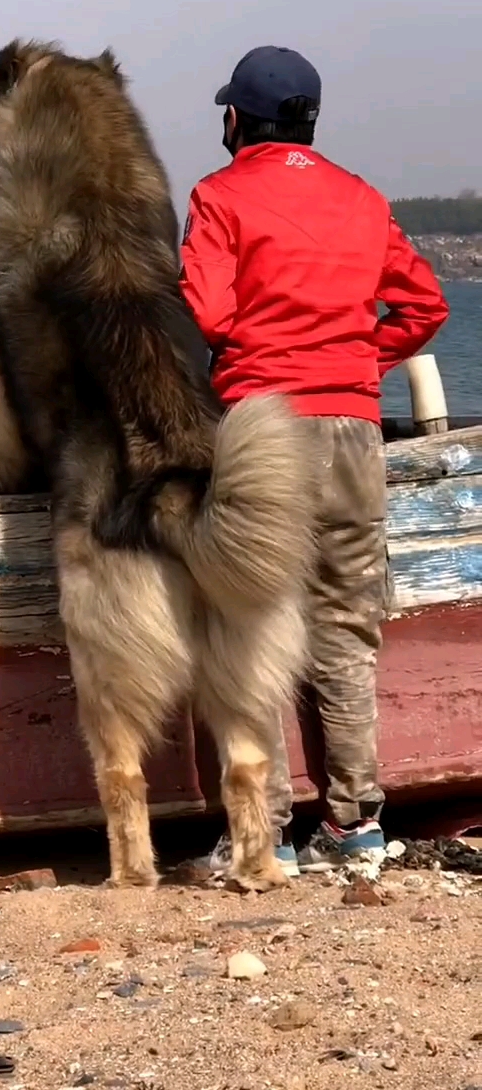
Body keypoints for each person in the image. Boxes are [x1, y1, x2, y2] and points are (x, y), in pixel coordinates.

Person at [179, 46, 450, 875]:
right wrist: (359, 361)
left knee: (249, 623)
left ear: (237, 119)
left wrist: (264, 359)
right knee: (347, 624)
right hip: (353, 431)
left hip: (263, 427)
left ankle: (262, 836)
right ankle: (354, 826)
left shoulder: (219, 197)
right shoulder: (363, 198)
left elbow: (209, 312)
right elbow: (424, 306)